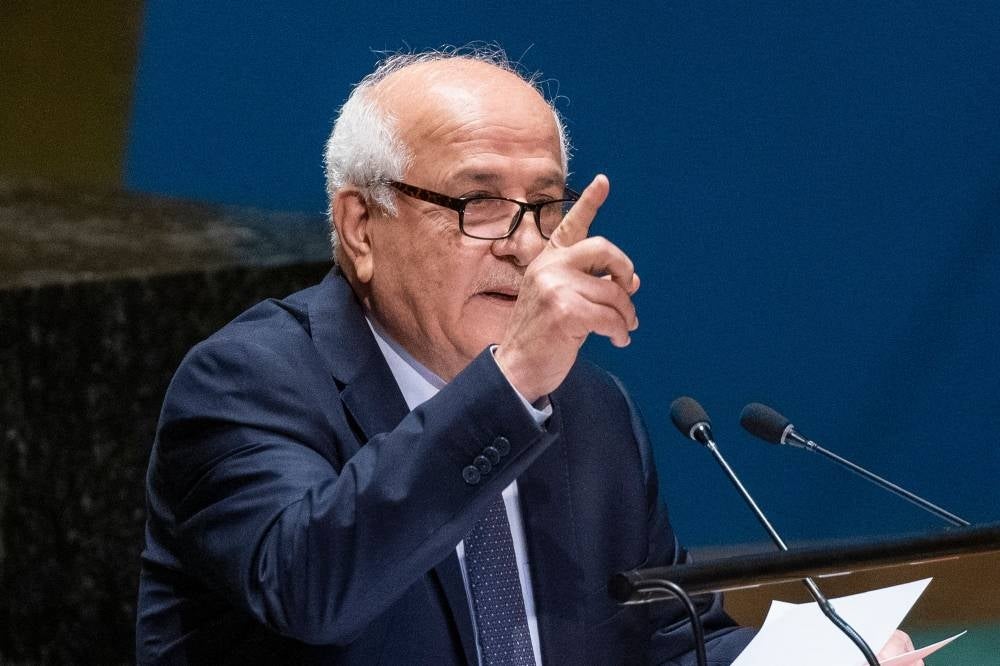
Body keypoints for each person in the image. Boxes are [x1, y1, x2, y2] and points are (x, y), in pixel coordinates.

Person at [136, 47, 919, 665]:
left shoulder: (591, 411)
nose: (523, 246)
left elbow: (667, 642)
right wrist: (508, 385)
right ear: (361, 228)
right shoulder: (246, 384)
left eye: (544, 207)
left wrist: (823, 659)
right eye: (477, 204)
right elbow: (312, 590)